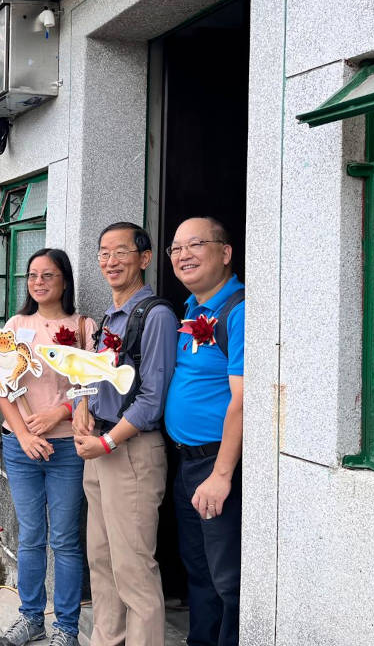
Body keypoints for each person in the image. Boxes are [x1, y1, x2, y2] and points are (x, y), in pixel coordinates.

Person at [71, 222, 177, 646]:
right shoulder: (111, 317)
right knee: (102, 561)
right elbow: (99, 380)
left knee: (133, 568)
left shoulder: (156, 315)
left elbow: (152, 399)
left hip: (129, 451)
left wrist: (108, 441)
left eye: (121, 252)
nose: (110, 261)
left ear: (144, 258)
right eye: (104, 253)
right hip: (99, 449)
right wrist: (82, 407)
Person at [0, 248, 96, 646]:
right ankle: (31, 617)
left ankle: (67, 627)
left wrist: (58, 413)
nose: (38, 282)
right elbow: (1, 385)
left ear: (64, 281)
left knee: (65, 539)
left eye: (48, 275)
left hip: (68, 449)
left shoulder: (83, 327)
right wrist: (24, 435)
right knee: (31, 536)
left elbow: (93, 387)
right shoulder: (16, 325)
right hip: (21, 448)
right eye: (33, 275)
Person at [163, 217, 244, 646]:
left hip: (217, 464)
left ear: (225, 253)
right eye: (176, 248)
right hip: (187, 461)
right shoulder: (192, 308)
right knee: (198, 570)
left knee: (226, 578)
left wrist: (222, 475)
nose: (183, 255)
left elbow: (243, 400)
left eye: (195, 245)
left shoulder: (238, 311)